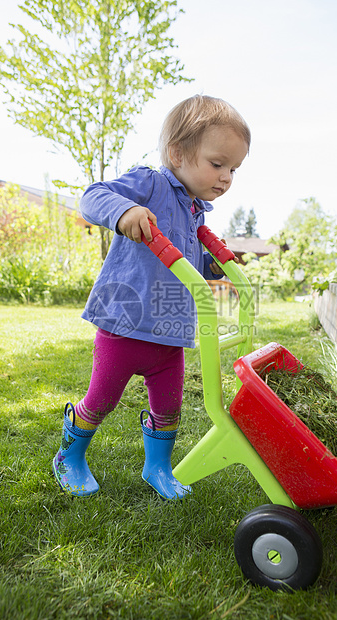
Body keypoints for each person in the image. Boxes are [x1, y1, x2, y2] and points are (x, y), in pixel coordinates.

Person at [52, 94, 250, 500]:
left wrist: (216, 267)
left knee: (169, 408)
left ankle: (157, 467)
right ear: (178, 153)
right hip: (125, 325)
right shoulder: (151, 184)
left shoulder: (195, 212)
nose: (226, 176)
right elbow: (92, 196)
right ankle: (69, 458)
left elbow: (187, 266)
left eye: (234, 169)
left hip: (171, 334)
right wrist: (124, 212)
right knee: (101, 400)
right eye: (218, 164)